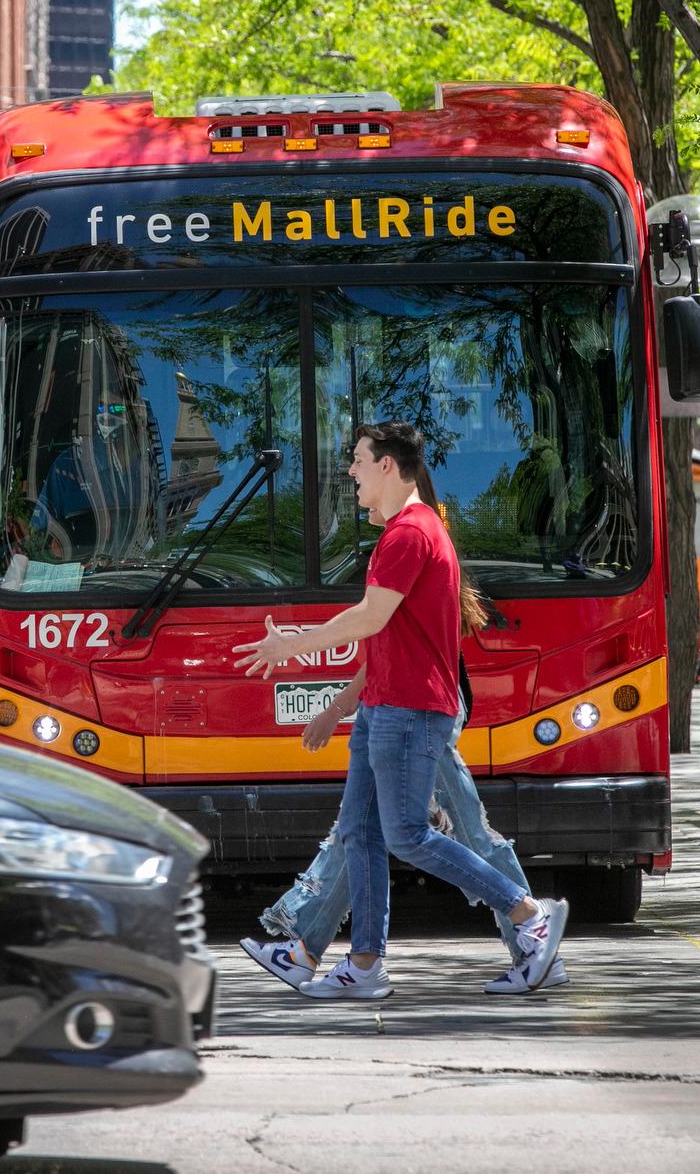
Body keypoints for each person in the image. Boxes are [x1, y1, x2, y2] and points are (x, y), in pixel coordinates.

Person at [232, 422, 566, 999]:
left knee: (408, 835)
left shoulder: (410, 534)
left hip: (410, 711)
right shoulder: (411, 531)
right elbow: (386, 641)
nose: (351, 471)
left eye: (359, 460)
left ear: (389, 466)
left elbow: (369, 618)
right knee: (360, 836)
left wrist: (292, 644)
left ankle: (527, 914)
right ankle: (362, 967)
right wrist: (338, 709)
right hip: (386, 708)